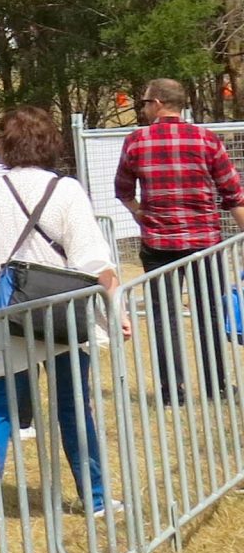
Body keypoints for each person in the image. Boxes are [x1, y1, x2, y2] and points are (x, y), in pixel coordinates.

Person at [0, 107, 121, 529]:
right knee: (74, 407)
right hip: (58, 314)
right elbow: (91, 256)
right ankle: (95, 499)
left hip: (3, 316)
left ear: (4, 145)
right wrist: (114, 308)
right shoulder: (66, 190)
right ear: (52, 143)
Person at [113, 78, 243, 403]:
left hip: (159, 245)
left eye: (144, 103)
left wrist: (139, 214)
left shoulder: (136, 141)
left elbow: (123, 190)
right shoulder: (206, 139)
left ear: (157, 103)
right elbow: (233, 193)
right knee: (210, 312)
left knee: (163, 315)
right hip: (204, 244)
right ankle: (217, 387)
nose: (142, 109)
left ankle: (173, 391)